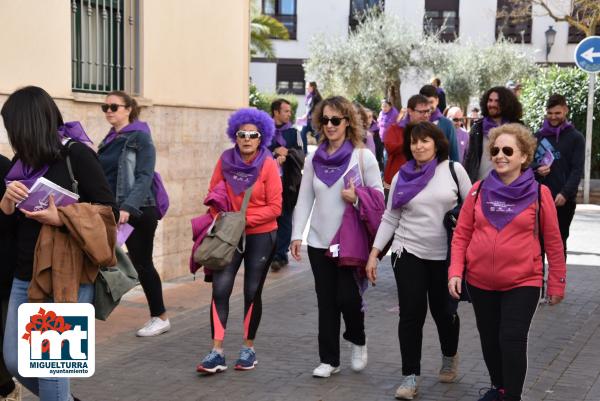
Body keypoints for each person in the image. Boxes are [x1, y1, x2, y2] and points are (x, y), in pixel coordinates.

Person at [1, 86, 117, 401]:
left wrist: (60, 218)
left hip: (66, 274)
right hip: (25, 275)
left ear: (28, 125)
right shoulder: (21, 161)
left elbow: (110, 212)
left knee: (52, 370)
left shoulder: (75, 155)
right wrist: (7, 202)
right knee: (15, 361)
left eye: (13, 127)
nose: (11, 136)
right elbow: (11, 224)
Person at [448, 123, 566, 401]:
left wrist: (557, 284)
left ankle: (512, 396)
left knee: (511, 339)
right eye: (496, 150)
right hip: (480, 282)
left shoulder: (540, 194)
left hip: (523, 281)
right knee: (490, 341)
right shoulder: (477, 191)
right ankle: (499, 388)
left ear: (524, 156)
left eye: (508, 150)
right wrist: (455, 271)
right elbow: (462, 234)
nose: (500, 155)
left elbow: (553, 242)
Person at [366, 121, 471, 400]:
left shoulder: (452, 170)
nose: (419, 146)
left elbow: (472, 210)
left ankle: (449, 354)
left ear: (437, 143)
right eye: (414, 142)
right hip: (407, 250)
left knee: (444, 313)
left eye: (425, 141)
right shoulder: (402, 175)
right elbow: (391, 216)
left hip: (445, 256)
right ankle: (409, 378)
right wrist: (375, 253)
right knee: (411, 314)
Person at [291, 96, 383, 378]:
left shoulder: (362, 155)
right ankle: (329, 360)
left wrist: (356, 199)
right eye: (325, 120)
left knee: (349, 299)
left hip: (349, 243)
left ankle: (357, 339)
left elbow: (379, 198)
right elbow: (305, 199)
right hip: (318, 242)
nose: (330, 126)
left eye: (336, 120)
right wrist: (296, 235)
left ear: (347, 122)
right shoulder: (314, 157)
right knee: (327, 301)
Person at [196, 108, 282, 373]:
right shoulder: (224, 160)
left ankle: (248, 349)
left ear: (261, 137)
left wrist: (244, 219)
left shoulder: (268, 163)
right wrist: (224, 218)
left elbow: (275, 206)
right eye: (241, 134)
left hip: (261, 234)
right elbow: (213, 195)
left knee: (251, 291)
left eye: (252, 135)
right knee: (220, 289)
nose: (246, 139)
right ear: (235, 135)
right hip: (228, 235)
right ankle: (216, 351)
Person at [97, 91, 171, 337]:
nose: (108, 111)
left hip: (138, 210)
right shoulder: (109, 139)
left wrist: (128, 207)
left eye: (114, 107)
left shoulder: (140, 137)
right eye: (105, 107)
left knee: (142, 263)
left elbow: (144, 175)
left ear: (128, 109)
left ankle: (159, 317)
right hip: (114, 211)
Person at [534, 94, 585, 256]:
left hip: (563, 201)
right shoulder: (538, 136)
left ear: (565, 111)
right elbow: (525, 163)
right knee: (537, 245)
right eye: (550, 113)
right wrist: (537, 169)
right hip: (539, 198)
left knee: (558, 244)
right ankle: (537, 281)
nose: (553, 117)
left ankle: (558, 281)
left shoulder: (576, 138)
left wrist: (565, 193)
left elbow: (577, 169)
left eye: (557, 113)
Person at [269, 99, 304, 272]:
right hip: (267, 183)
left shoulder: (293, 132)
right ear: (276, 112)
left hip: (288, 182)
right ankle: (269, 253)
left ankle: (280, 255)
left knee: (285, 218)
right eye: (286, 111)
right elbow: (258, 151)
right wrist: (274, 152)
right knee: (269, 219)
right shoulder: (264, 131)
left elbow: (301, 155)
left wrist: (288, 154)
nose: (289, 114)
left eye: (290, 111)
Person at [463, 86, 523, 183]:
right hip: (481, 187)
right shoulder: (477, 129)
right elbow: (469, 160)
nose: (492, 104)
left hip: (510, 188)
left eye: (497, 101)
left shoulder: (518, 129)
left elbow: (526, 158)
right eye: (490, 100)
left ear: (506, 104)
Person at [0, 153, 20, 401]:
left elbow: (12, 223)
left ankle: (8, 390)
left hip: (4, 276)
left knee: (9, 354)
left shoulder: (6, 167)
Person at [383, 95, 431, 195]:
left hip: (423, 184)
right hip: (397, 184)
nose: (426, 115)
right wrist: (412, 139)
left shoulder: (431, 131)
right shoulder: (394, 129)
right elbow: (390, 148)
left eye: (428, 111)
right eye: (421, 112)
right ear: (410, 111)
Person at [419, 85, 459, 161]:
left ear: (437, 101)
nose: (428, 106)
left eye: (431, 102)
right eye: (424, 103)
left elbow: (454, 154)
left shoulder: (447, 124)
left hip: (441, 169)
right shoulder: (416, 122)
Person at [299, 82, 323, 153]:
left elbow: (312, 108)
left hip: (314, 120)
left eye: (307, 86)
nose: (306, 88)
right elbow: (308, 108)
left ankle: (321, 151)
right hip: (308, 120)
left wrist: (306, 115)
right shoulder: (309, 96)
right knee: (302, 134)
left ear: (312, 87)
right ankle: (304, 152)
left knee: (317, 136)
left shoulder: (316, 97)